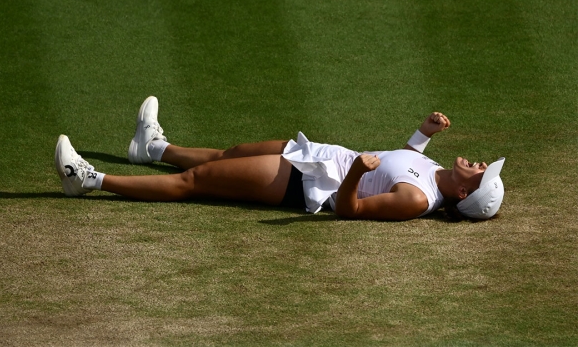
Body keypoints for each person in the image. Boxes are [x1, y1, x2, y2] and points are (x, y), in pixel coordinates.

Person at [55, 97, 506, 221]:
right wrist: (422, 134)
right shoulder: (432, 172)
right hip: (319, 154)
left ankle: (90, 179)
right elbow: (400, 162)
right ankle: (152, 148)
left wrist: (354, 172)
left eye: (482, 175)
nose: (482, 164)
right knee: (229, 153)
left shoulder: (418, 200)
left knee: (197, 181)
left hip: (306, 183)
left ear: (462, 193)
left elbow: (351, 209)